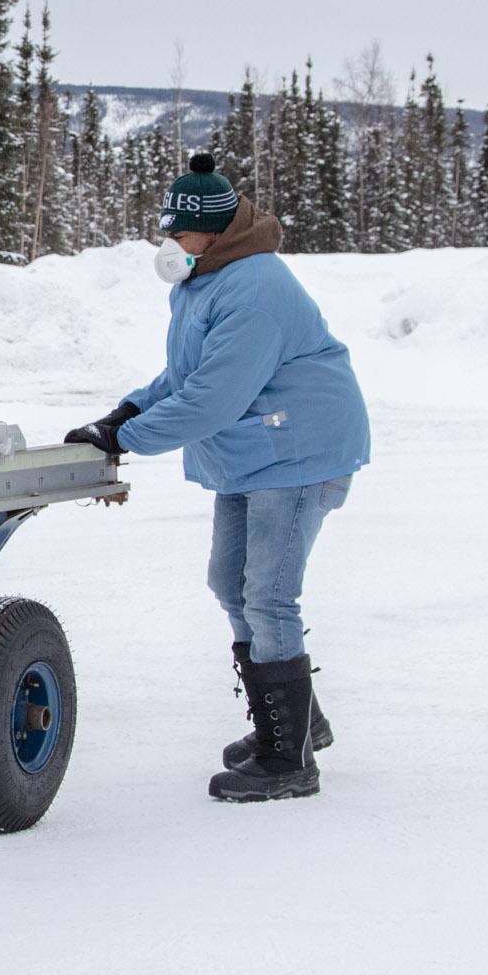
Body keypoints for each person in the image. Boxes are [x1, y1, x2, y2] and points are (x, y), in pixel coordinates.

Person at [66, 154, 369, 802]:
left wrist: (128, 438)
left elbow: (214, 399)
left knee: (267, 594)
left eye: (178, 234)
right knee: (228, 580)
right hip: (256, 448)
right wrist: (124, 412)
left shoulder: (255, 288)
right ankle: (295, 720)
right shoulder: (207, 280)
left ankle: (288, 759)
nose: (170, 246)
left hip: (298, 449)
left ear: (212, 231)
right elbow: (187, 378)